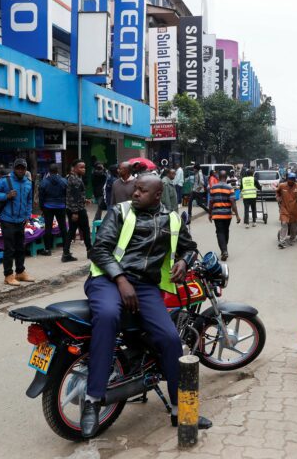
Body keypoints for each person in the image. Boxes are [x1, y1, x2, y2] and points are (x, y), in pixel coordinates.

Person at [82, 175, 211, 437]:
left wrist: (184, 262)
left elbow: (189, 248)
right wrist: (120, 279)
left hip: (145, 287)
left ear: (157, 195)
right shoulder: (120, 212)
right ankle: (93, 400)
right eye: (135, 189)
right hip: (107, 279)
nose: (135, 193)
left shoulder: (172, 219)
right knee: (107, 316)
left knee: (171, 339)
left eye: (142, 190)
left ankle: (181, 410)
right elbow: (99, 250)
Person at [0, 159, 34, 286]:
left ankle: (20, 272)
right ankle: (8, 275)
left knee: (21, 247)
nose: (20, 170)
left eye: (22, 168)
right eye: (18, 168)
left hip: (21, 220)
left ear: (25, 169)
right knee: (9, 249)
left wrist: (28, 215)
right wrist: (6, 196)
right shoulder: (5, 180)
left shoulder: (29, 182)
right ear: (14, 168)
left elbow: (29, 200)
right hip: (7, 219)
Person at [38, 164, 70, 261]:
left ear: (49, 171)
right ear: (57, 171)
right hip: (61, 206)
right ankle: (66, 249)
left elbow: (41, 197)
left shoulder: (44, 182)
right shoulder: (64, 181)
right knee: (63, 227)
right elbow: (67, 194)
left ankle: (48, 249)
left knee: (48, 227)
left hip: (48, 206)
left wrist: (42, 207)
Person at [208, 171, 240, 260]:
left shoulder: (213, 188)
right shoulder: (230, 188)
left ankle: (224, 250)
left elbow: (211, 202)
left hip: (217, 215)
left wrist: (209, 213)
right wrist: (237, 215)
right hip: (227, 215)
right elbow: (233, 202)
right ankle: (224, 249)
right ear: (226, 178)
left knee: (220, 232)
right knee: (225, 231)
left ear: (218, 177)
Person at [67, 159, 92, 257]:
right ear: (74, 168)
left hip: (74, 208)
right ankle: (90, 250)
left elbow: (76, 195)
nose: (84, 169)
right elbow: (74, 197)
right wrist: (75, 212)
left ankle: (66, 253)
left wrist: (84, 199)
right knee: (85, 230)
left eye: (84, 167)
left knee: (72, 231)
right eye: (81, 167)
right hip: (78, 210)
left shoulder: (75, 178)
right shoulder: (75, 180)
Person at [276, 173, 297, 249]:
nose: (291, 181)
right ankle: (282, 241)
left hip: (294, 208)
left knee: (294, 225)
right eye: (290, 179)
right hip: (284, 208)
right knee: (284, 223)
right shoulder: (282, 185)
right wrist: (278, 197)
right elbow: (277, 192)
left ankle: (292, 239)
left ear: (294, 180)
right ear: (287, 179)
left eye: (293, 179)